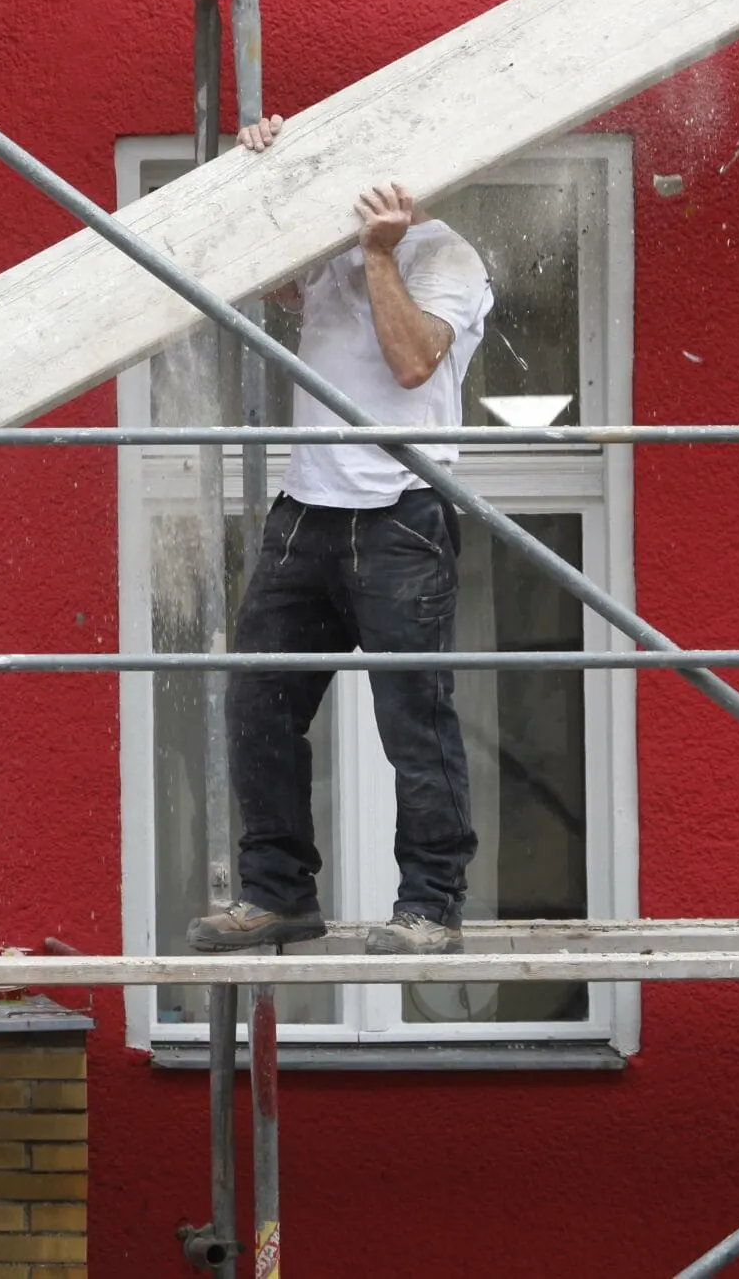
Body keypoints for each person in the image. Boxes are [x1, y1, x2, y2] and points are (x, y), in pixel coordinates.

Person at [187, 113, 495, 956]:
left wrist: (380, 254)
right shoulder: (332, 249)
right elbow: (258, 270)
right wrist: (258, 167)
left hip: (402, 513)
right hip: (306, 510)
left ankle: (431, 906)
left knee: (413, 721)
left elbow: (410, 362)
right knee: (259, 703)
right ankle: (279, 892)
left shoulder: (447, 257)